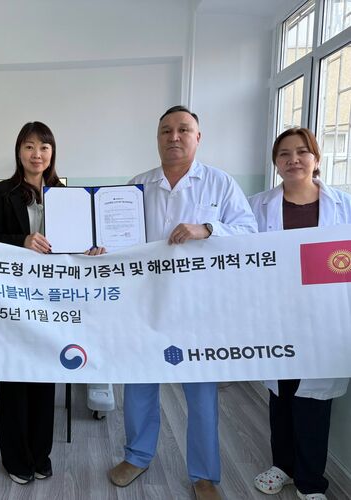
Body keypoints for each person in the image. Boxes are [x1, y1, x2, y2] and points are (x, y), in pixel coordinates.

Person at [108, 105, 257, 500]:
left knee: (201, 393)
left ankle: (204, 474)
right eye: (166, 131)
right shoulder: (137, 186)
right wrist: (100, 247)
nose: (174, 137)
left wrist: (208, 228)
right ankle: (137, 456)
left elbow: (249, 231)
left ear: (198, 137)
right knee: (140, 384)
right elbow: (118, 240)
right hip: (146, 304)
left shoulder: (220, 184)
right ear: (157, 138)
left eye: (183, 130)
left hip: (199, 308)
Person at [249, 127, 350, 500]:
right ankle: (283, 466)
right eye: (284, 154)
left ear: (316, 159)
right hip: (276, 313)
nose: (293, 160)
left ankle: (311, 482)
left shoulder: (343, 206)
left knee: (315, 400)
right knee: (282, 394)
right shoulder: (257, 206)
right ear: (276, 163)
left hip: (324, 317)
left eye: (302, 152)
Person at [0, 121, 64, 485]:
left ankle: (40, 453)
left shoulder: (64, 194)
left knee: (45, 376)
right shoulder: (1, 192)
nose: (37, 154)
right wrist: (23, 241)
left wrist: (93, 247)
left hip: (51, 298)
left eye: (44, 147)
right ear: (19, 151)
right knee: (15, 376)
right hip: (12, 295)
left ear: (52, 152)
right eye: (29, 147)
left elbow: (76, 242)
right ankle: (16, 458)